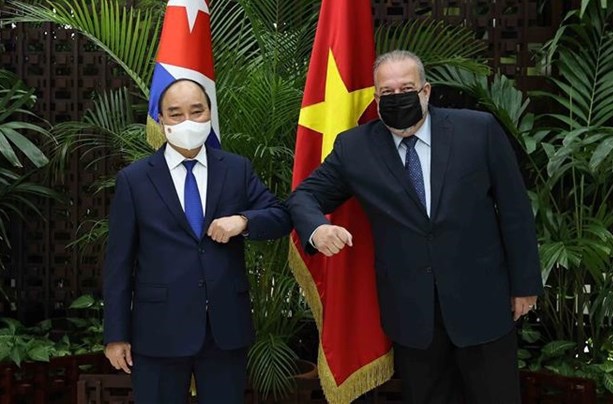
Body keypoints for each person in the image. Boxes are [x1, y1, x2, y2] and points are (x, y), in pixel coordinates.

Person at [286, 50, 543, 404]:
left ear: (426, 91)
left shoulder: (478, 130)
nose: (397, 97)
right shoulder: (355, 147)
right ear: (375, 99)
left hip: (484, 302)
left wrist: (525, 285)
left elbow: (515, 211)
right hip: (412, 314)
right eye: (387, 93)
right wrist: (317, 229)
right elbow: (303, 197)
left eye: (406, 87)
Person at [103, 79, 291, 404]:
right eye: (175, 114)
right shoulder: (134, 180)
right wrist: (116, 335)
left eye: (196, 111)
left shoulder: (235, 169)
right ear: (160, 121)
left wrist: (244, 221)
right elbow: (118, 264)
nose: (187, 121)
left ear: (209, 114)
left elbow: (280, 216)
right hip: (158, 330)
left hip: (224, 329)